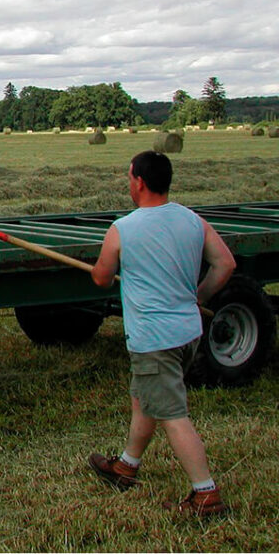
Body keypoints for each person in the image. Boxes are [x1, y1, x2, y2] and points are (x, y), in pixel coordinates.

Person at [88, 150, 236, 516]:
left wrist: (103, 267)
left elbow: (101, 278)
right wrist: (198, 296)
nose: (128, 183)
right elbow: (225, 264)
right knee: (145, 398)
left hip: (155, 339)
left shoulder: (123, 228)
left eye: (129, 177)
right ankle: (127, 465)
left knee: (171, 414)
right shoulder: (192, 220)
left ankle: (205, 493)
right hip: (187, 333)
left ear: (139, 182)